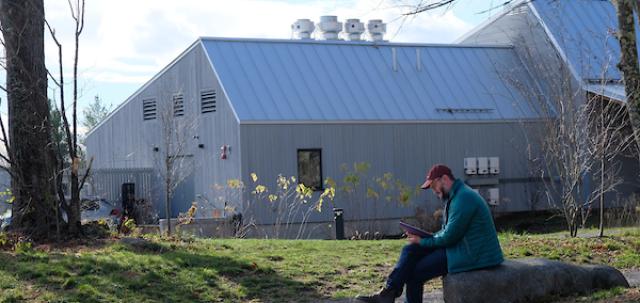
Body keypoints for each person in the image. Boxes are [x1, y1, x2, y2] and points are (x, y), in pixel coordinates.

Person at [355, 164, 504, 303]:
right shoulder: (457, 195)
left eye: (434, 186)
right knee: (410, 249)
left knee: (413, 273)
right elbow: (449, 232)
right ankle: (388, 293)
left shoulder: (463, 198)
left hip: (473, 254)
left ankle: (388, 295)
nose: (434, 192)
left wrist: (423, 241)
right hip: (461, 246)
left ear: (444, 179)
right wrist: (427, 238)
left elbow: (450, 237)